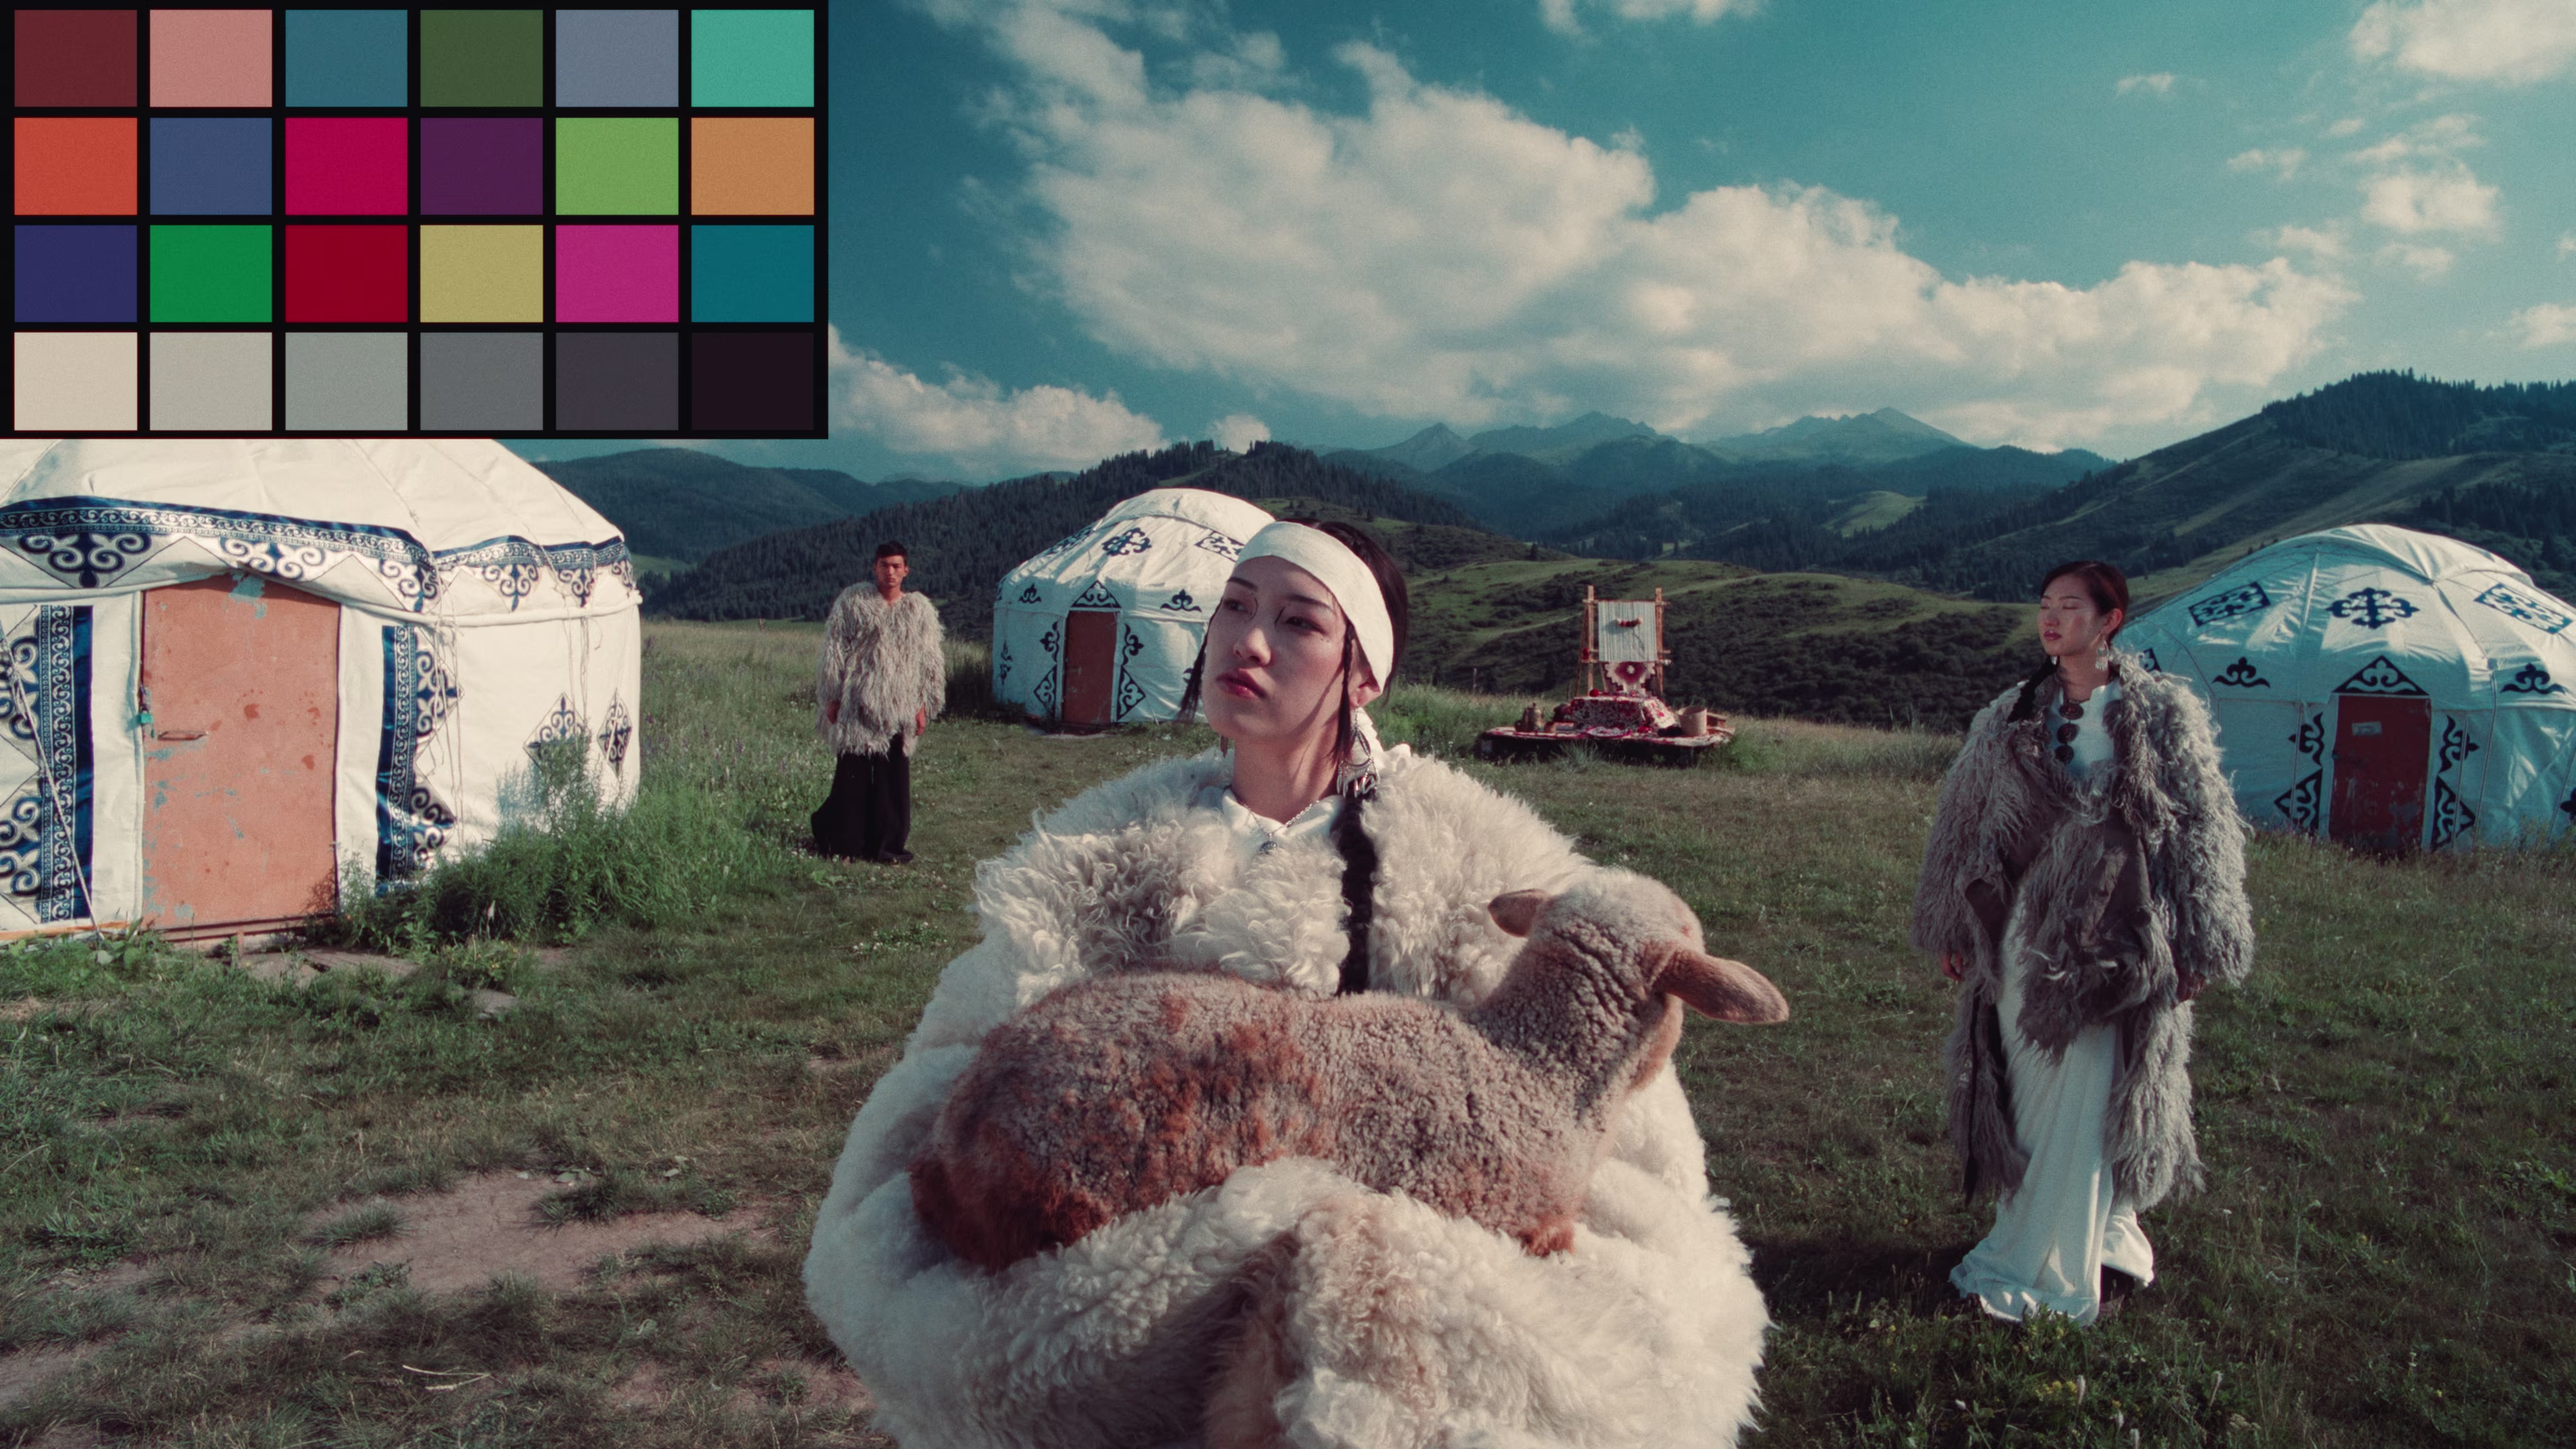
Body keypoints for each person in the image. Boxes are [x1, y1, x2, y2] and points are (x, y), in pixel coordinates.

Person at [804, 521, 1770, 1446]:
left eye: (1300, 621)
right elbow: (950, 1078)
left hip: (1362, 1378)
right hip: (1107, 1345)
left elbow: (1621, 1150)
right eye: (1232, 607)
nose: (1249, 641)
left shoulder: (1476, 871)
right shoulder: (1101, 858)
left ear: (1365, 673)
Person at [1913, 559, 2254, 1326]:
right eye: (2045, 605)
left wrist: (2197, 939)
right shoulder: (2010, 715)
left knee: (2093, 1086)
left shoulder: (2161, 714)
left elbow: (2202, 832)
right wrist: (1951, 924)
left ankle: (2063, 1258)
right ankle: (2036, 1229)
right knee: (2028, 1090)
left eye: (2071, 606)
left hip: (2114, 938)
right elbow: (1962, 825)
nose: (2052, 618)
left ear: (2110, 621)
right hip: (2023, 931)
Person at [810, 541, 944, 864]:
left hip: (900, 704)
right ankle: (846, 844)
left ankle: (887, 847)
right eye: (885, 565)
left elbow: (929, 659)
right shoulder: (853, 602)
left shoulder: (918, 610)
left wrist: (923, 704)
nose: (891, 571)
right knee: (852, 779)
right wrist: (832, 696)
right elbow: (834, 649)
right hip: (857, 701)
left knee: (893, 780)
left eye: (897, 565)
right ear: (875, 568)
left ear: (907, 570)